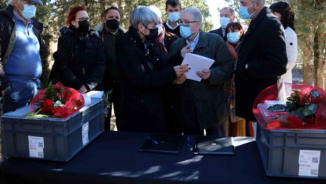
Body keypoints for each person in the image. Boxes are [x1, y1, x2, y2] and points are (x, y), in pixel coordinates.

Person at [118, 6, 189, 133]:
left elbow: (161, 64)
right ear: (141, 27)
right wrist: (172, 73)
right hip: (138, 113)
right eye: (153, 25)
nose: (157, 28)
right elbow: (141, 80)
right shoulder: (126, 46)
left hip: (155, 108)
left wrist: (179, 58)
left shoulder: (148, 42)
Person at [168, 7, 234, 137]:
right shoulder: (176, 45)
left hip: (213, 107)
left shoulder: (215, 41)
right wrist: (175, 78)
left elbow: (228, 68)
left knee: (216, 149)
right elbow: (168, 70)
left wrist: (212, 74)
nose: (182, 25)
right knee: (190, 150)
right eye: (181, 22)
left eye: (187, 22)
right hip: (188, 110)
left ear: (198, 24)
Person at [235, 0, 287, 134]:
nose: (241, 7)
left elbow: (279, 64)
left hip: (262, 102)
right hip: (254, 100)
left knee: (262, 146)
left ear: (256, 3)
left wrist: (247, 67)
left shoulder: (270, 23)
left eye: (243, 3)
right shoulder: (258, 22)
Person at [0, 0, 45, 113]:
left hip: (36, 89)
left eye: (35, 4)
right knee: (15, 129)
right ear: (15, 1)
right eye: (29, 3)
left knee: (36, 129)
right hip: (15, 92)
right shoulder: (3, 21)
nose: (33, 7)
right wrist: (5, 87)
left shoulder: (34, 25)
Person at [50, 6, 105, 94]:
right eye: (82, 19)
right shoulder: (65, 39)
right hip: (70, 89)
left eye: (87, 18)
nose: (86, 21)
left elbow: (101, 64)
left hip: (93, 89)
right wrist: (78, 85)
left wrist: (88, 85)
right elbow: (62, 65)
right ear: (73, 22)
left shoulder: (95, 39)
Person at [94, 6, 125, 131]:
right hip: (103, 86)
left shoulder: (125, 37)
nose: (114, 19)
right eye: (110, 17)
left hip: (121, 86)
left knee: (123, 119)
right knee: (103, 121)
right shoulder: (96, 36)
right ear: (104, 19)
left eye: (116, 17)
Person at [270, 2, 298, 102]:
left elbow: (290, 60)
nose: (270, 15)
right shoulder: (276, 30)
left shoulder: (289, 32)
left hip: (281, 79)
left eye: (273, 12)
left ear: (281, 14)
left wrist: (276, 73)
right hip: (272, 79)